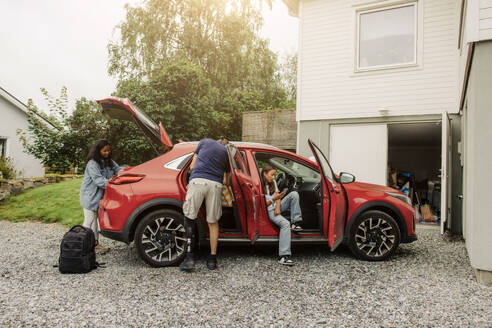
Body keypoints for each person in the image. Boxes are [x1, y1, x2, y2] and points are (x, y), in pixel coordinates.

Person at [180, 137, 230, 271]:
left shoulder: (204, 142)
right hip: (215, 185)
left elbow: (192, 166)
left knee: (190, 218)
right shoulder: (226, 153)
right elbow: (226, 181)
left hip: (198, 182)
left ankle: (189, 258)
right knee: (213, 222)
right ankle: (212, 259)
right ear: (225, 145)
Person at [80, 140, 120, 253]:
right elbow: (98, 181)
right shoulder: (92, 163)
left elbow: (119, 170)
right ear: (98, 151)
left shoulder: (109, 162)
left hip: (100, 197)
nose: (107, 152)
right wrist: (114, 184)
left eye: (108, 150)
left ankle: (94, 245)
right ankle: (81, 245)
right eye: (104, 151)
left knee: (95, 222)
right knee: (89, 221)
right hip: (90, 197)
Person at [261, 164, 303, 266]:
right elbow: (262, 205)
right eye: (272, 175)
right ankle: (283, 256)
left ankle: (295, 222)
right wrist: (274, 200)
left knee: (294, 194)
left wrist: (278, 207)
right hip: (267, 210)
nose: (274, 177)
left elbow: (278, 196)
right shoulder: (259, 184)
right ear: (265, 174)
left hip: (275, 207)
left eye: (275, 175)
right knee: (285, 224)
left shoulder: (273, 182)